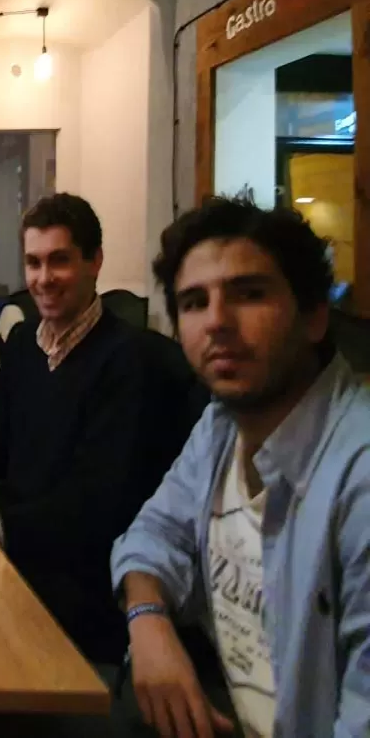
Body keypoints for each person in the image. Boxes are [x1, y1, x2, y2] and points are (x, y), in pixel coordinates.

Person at [112, 196, 370, 738]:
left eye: (249, 294)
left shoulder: (358, 476)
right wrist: (148, 621)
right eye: (193, 303)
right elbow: (152, 532)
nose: (218, 323)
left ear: (315, 314)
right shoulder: (221, 426)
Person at [0, 194, 206, 674]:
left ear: (95, 261)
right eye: (33, 263)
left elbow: (98, 502)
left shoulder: (127, 362)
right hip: (17, 560)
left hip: (75, 590)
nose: (43, 278)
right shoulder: (24, 345)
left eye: (59, 260)